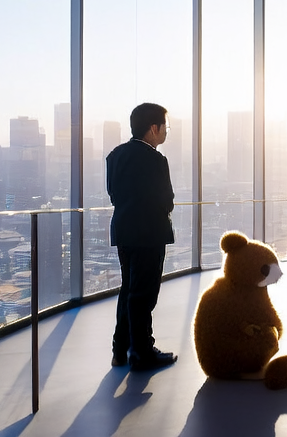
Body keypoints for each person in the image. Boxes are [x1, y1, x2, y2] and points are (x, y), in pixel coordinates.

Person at [106, 102, 178, 371]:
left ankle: (119, 349)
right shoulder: (157, 160)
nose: (166, 132)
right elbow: (166, 201)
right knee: (143, 295)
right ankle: (142, 352)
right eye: (165, 127)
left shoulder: (115, 156)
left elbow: (114, 195)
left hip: (124, 231)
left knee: (128, 290)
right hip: (150, 234)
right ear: (153, 129)